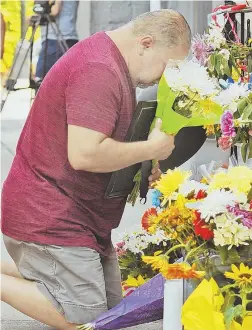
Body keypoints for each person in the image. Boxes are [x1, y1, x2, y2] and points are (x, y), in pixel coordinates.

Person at [1, 9, 191, 330]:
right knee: (89, 322)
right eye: (167, 66)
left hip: (76, 218)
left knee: (115, 311)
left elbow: (103, 142)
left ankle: (34, 270)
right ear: (145, 43)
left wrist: (143, 164)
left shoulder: (109, 58)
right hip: (51, 217)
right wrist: (151, 148)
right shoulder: (99, 69)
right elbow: (85, 154)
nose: (164, 78)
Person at [35, 0, 79, 79]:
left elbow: (54, 10)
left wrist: (35, 16)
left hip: (55, 39)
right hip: (70, 38)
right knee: (68, 81)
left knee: (42, 81)